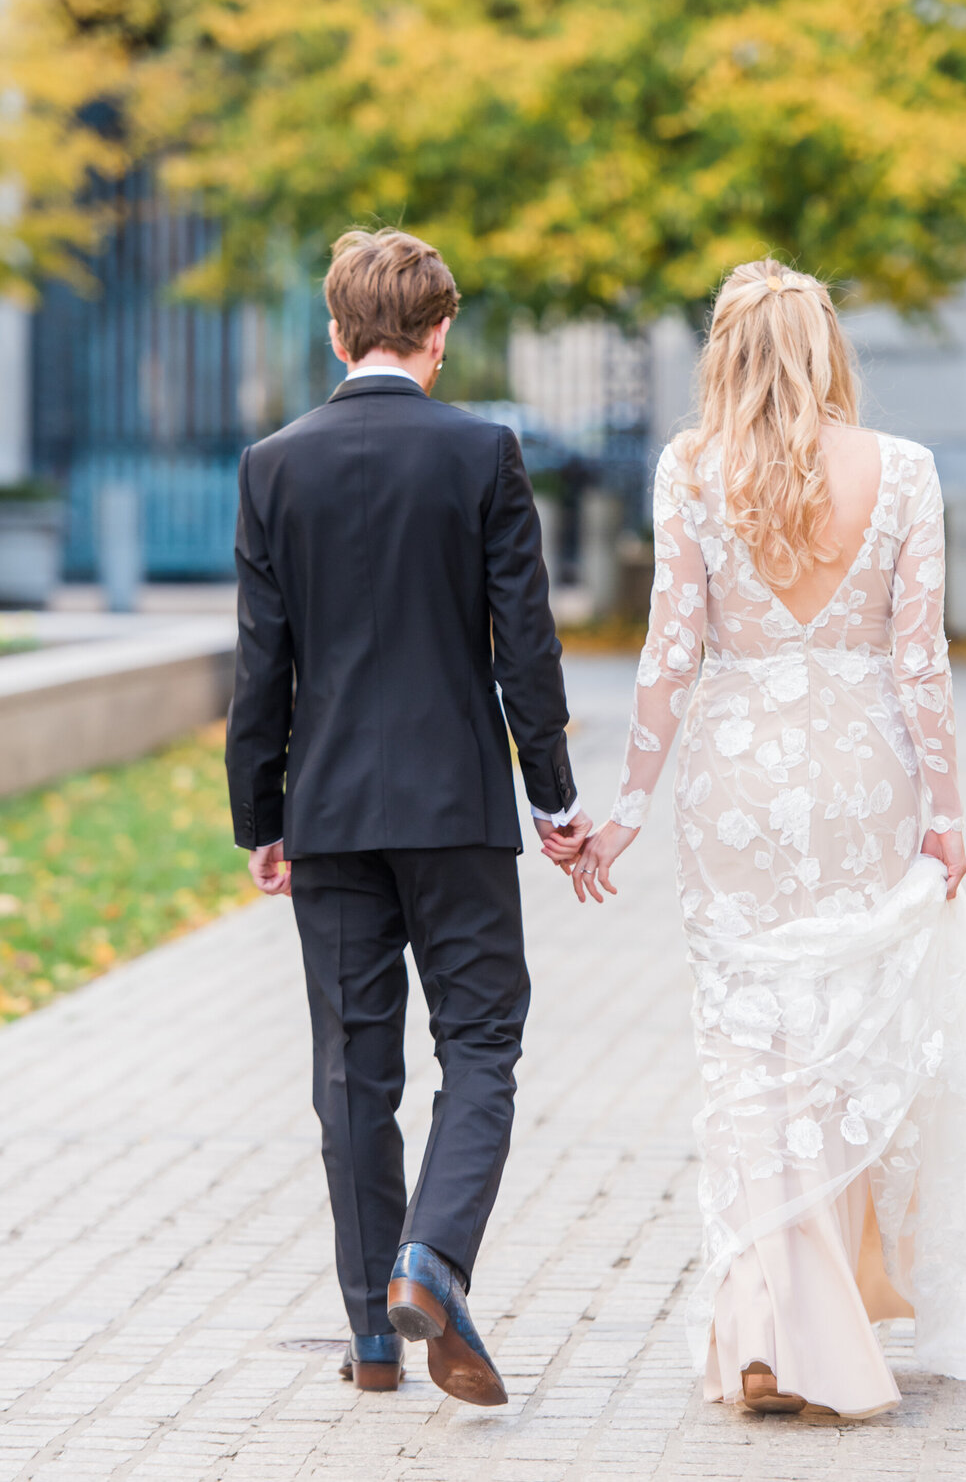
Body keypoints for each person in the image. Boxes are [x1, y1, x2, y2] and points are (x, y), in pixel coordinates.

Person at [573, 257, 966, 1417]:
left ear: (724, 356)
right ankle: (807, 1322)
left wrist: (622, 810)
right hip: (862, 778)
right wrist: (946, 814)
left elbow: (669, 652)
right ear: (828, 347)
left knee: (751, 1055)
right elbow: (918, 659)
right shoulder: (905, 473)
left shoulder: (689, 470)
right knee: (845, 1038)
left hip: (735, 784)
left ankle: (767, 1328)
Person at [225, 228, 590, 1404]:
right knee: (481, 1043)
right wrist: (556, 796)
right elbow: (521, 644)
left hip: (328, 808)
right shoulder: (484, 453)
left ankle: (372, 1335)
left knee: (351, 1066)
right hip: (457, 807)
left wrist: (258, 815)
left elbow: (259, 664)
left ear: (335, 333)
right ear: (440, 334)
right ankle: (432, 1261)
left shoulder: (272, 464)